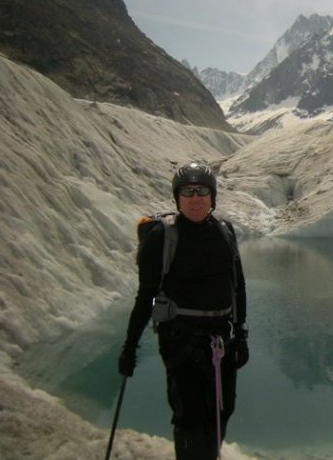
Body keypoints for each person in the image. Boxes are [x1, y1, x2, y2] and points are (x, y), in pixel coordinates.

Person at [118, 162, 249, 460]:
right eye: (187, 191)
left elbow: (238, 287)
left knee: (221, 410)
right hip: (181, 341)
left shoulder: (225, 232)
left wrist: (241, 335)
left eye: (201, 191)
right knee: (190, 416)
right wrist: (130, 346)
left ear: (212, 196)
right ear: (177, 198)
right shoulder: (162, 237)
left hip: (221, 341)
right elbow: (147, 297)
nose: (195, 198)